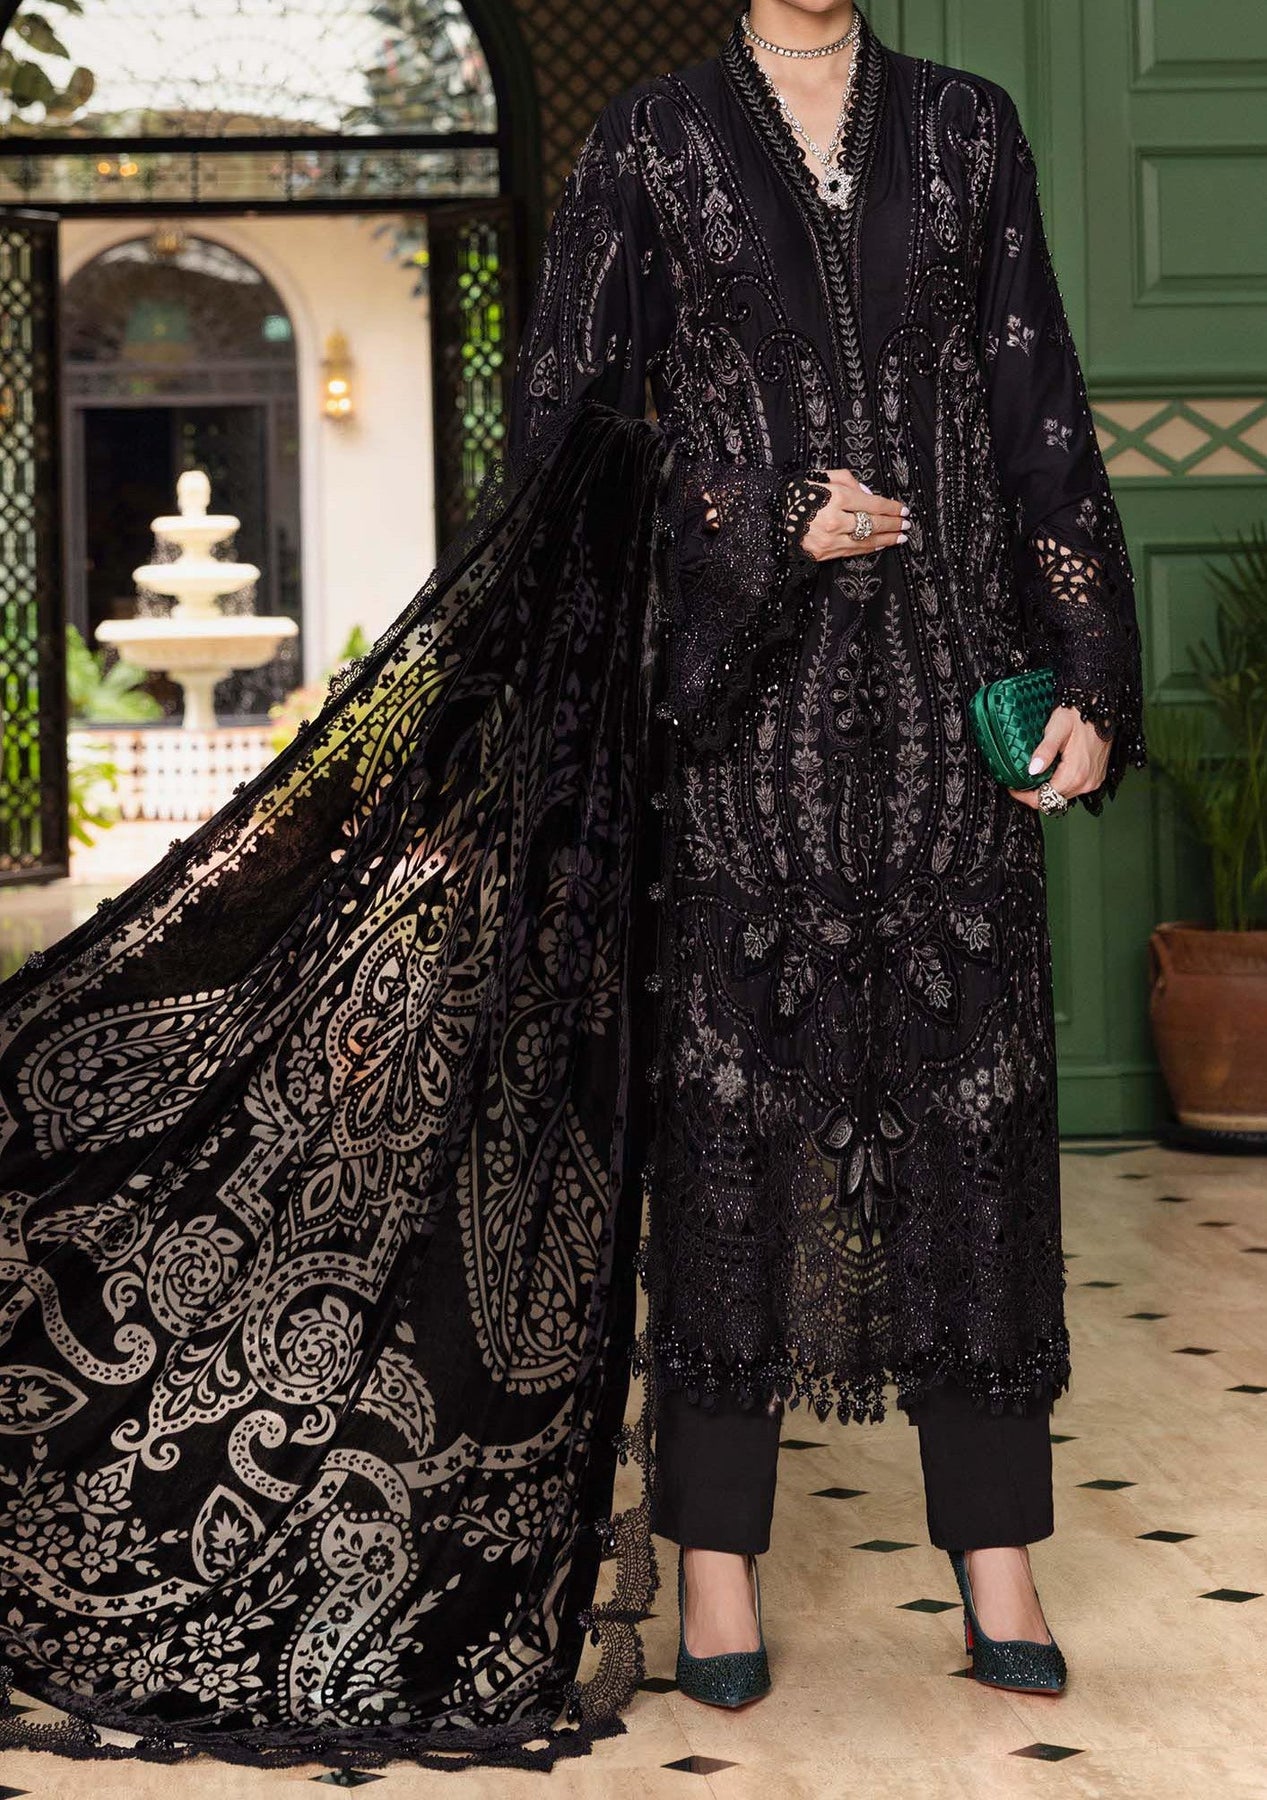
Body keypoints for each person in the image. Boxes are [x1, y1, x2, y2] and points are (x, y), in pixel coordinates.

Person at [0, 0, 1142, 1774]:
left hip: (945, 722)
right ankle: (716, 1572)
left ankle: (997, 1555)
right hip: (744, 745)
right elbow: (572, 452)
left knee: (971, 1132)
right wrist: (767, 510)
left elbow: (1039, 412)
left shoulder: (971, 129)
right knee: (731, 1147)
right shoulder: (653, 145)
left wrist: (1091, 675)